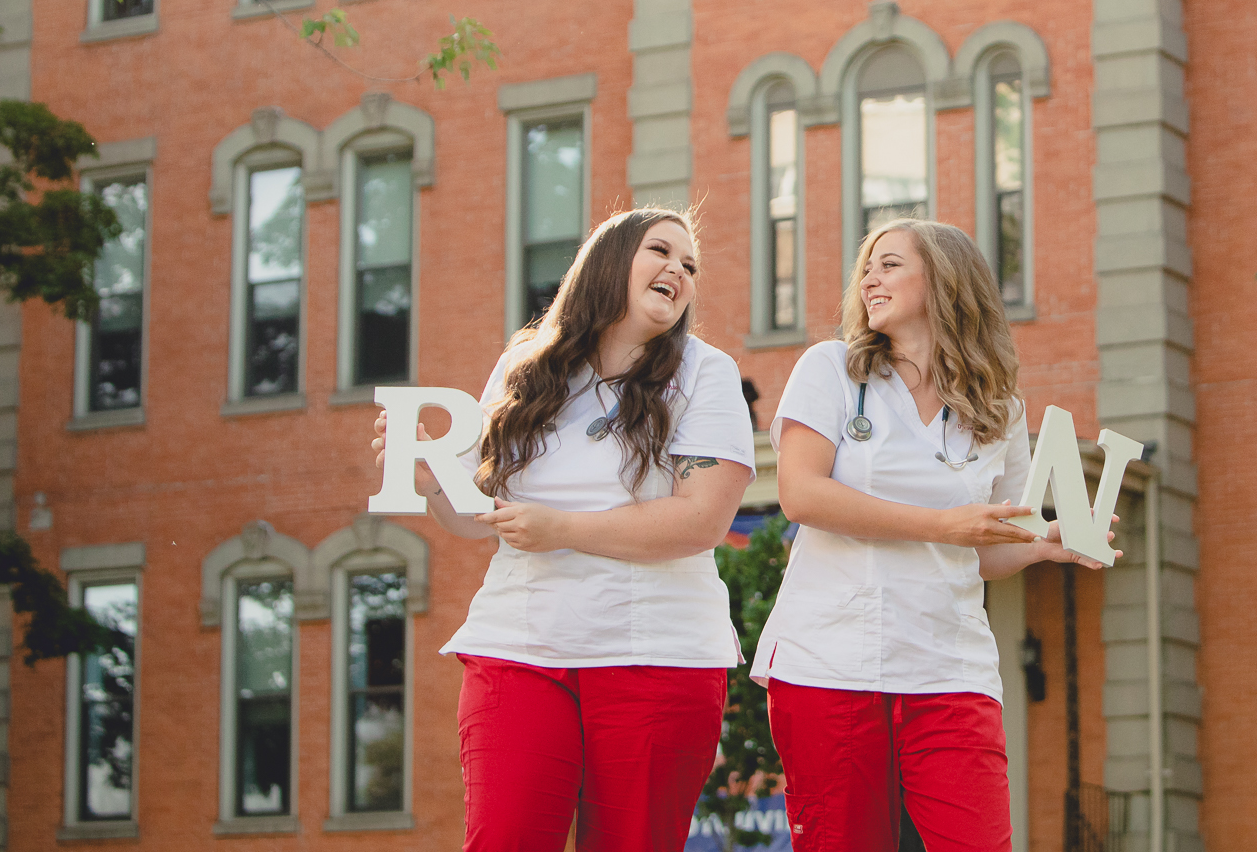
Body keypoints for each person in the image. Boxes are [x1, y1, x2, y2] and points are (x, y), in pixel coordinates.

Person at [370, 207, 756, 852]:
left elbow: (702, 519)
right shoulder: (526, 367)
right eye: (660, 251)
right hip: (519, 649)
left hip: (654, 655)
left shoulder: (704, 372)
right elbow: (474, 514)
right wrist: (427, 476)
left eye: (690, 266)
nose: (679, 271)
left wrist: (562, 528)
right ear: (608, 262)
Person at [754, 218, 1110, 852]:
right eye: (866, 266)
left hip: (950, 669)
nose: (869, 277)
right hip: (831, 662)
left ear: (943, 280)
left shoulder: (1000, 409)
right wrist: (944, 526)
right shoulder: (831, 370)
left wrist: (1046, 541)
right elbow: (801, 494)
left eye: (889, 264)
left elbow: (991, 550)